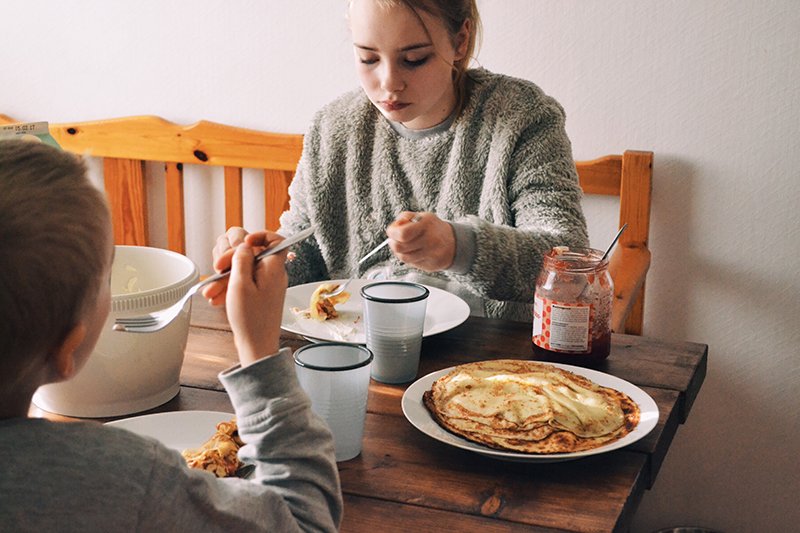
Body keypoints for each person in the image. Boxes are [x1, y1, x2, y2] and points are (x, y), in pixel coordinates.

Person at [0, 140, 342, 532]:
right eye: (106, 278)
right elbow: (305, 520)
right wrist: (260, 356)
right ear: (67, 347)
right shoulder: (125, 479)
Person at [205, 0, 589, 322]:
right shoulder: (334, 127)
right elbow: (309, 249)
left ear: (460, 40)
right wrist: (263, 265)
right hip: (361, 357)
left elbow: (570, 263)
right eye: (368, 58)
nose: (389, 83)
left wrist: (460, 247)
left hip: (495, 369)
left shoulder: (522, 117)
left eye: (414, 59)